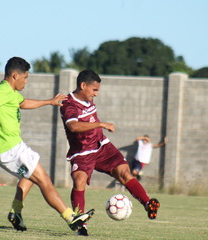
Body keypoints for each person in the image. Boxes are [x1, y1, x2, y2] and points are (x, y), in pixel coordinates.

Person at [0, 57, 94, 232]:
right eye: (25, 78)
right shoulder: (3, 90)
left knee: (29, 177)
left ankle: (16, 211)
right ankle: (71, 218)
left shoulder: (11, 93)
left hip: (6, 148)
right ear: (15, 75)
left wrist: (49, 101)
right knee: (44, 180)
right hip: (10, 148)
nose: (26, 81)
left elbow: (23, 103)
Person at [60, 69, 160, 236]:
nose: (96, 94)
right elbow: (73, 126)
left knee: (124, 172)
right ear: (83, 86)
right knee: (79, 181)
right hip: (83, 151)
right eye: (94, 90)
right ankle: (80, 223)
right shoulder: (68, 104)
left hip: (102, 146)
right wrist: (101, 124)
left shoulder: (87, 98)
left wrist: (99, 128)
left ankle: (148, 203)